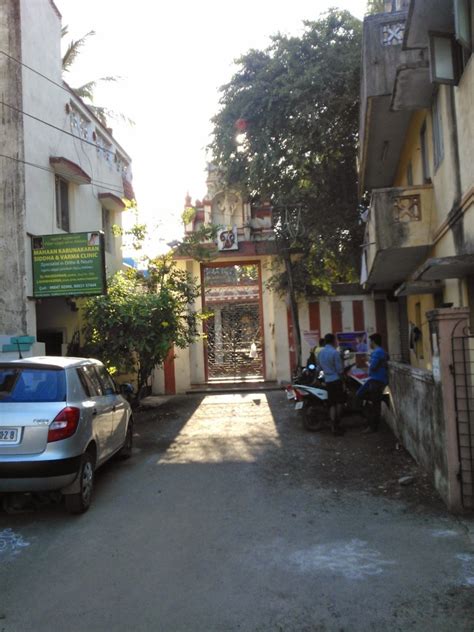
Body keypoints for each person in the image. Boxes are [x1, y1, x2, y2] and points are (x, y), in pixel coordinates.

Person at [356, 333, 389, 433]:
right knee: (368, 399)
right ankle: (371, 423)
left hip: (376, 379)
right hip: (377, 379)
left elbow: (373, 366)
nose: (369, 343)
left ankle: (373, 426)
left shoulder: (377, 352)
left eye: (370, 341)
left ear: (373, 342)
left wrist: (368, 362)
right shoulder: (380, 351)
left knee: (374, 404)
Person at [318, 333, 345, 436]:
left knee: (332, 404)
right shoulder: (335, 353)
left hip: (328, 381)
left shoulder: (321, 353)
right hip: (336, 380)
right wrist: (343, 382)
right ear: (333, 341)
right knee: (339, 403)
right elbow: (340, 370)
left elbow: (319, 368)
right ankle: (337, 424)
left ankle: (333, 426)